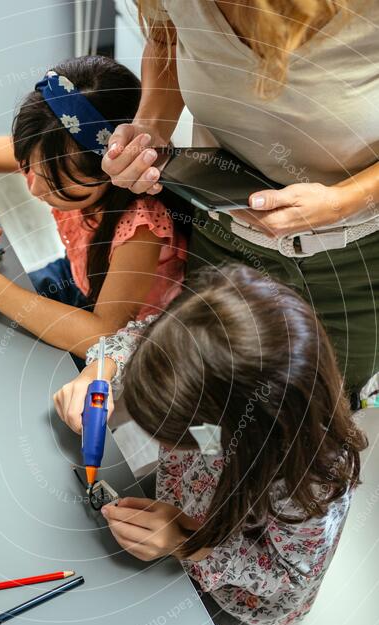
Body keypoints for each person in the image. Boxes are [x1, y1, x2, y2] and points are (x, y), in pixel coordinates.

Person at [53, 265, 367, 625]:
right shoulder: (205, 335)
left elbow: (286, 577)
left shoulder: (310, 479)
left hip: (235, 593)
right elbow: (142, 337)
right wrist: (99, 372)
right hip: (187, 500)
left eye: (176, 435)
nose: (164, 447)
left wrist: (186, 543)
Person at [101, 0, 379, 401]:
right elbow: (169, 36)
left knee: (322, 405)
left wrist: (345, 200)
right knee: (221, 395)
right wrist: (150, 126)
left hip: (357, 266)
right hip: (224, 241)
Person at [0, 55, 187, 360]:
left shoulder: (142, 226)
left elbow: (103, 335)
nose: (34, 187)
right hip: (80, 278)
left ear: (112, 172)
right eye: (31, 168)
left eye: (55, 184)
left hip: (130, 341)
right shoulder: (51, 149)